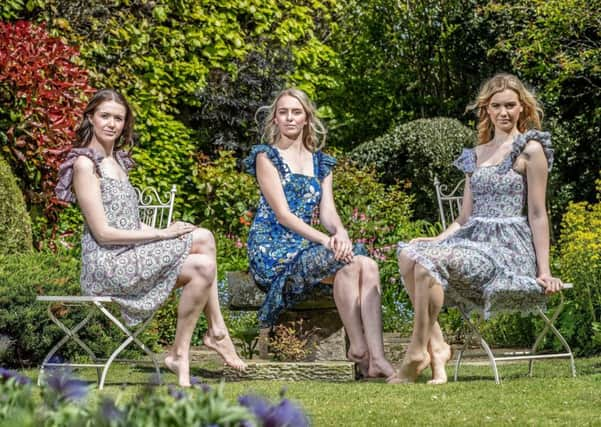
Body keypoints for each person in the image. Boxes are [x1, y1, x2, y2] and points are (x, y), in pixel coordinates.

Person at [55, 89, 246, 387]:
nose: (111, 124)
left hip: (130, 254)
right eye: (105, 116)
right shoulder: (84, 164)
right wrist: (162, 234)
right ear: (90, 117)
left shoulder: (117, 161)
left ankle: (181, 353)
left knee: (204, 262)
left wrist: (169, 229)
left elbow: (130, 222)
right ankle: (216, 333)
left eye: (118, 118)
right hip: (106, 265)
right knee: (205, 239)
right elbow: (103, 232)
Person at [396, 73, 564, 384]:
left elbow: (539, 214)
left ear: (522, 108)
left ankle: (417, 352)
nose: (504, 113)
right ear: (486, 109)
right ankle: (437, 346)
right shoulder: (476, 154)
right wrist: (436, 239)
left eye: (510, 106)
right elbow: (463, 218)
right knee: (409, 253)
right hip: (473, 239)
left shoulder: (531, 149)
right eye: (496, 106)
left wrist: (545, 270)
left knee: (426, 265)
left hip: (507, 251)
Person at [243, 88, 399, 382]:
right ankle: (363, 351)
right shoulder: (267, 156)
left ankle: (373, 356)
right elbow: (283, 215)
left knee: (365, 264)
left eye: (296, 112)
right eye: (283, 112)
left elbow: (328, 212)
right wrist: (327, 241)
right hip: (272, 249)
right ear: (275, 119)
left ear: (306, 118)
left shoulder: (321, 163)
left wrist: (340, 232)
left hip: (306, 246)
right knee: (349, 261)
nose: (289, 118)